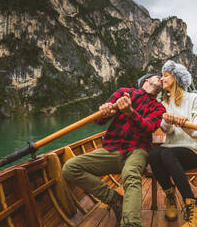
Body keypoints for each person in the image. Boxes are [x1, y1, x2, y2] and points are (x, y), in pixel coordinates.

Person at [62, 74, 165, 227]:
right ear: (146, 80)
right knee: (70, 168)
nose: (162, 79)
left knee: (130, 173)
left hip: (137, 150)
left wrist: (131, 113)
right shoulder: (124, 92)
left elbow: (149, 127)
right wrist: (105, 111)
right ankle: (114, 199)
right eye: (158, 76)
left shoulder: (159, 107)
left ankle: (131, 224)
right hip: (110, 149)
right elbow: (99, 120)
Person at [148, 60, 197, 227]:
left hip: (192, 150)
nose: (162, 79)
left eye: (165, 75)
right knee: (153, 154)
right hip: (171, 150)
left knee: (166, 153)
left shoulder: (195, 98)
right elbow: (168, 132)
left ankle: (193, 205)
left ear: (176, 78)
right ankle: (170, 197)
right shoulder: (164, 104)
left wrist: (185, 124)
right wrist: (167, 122)